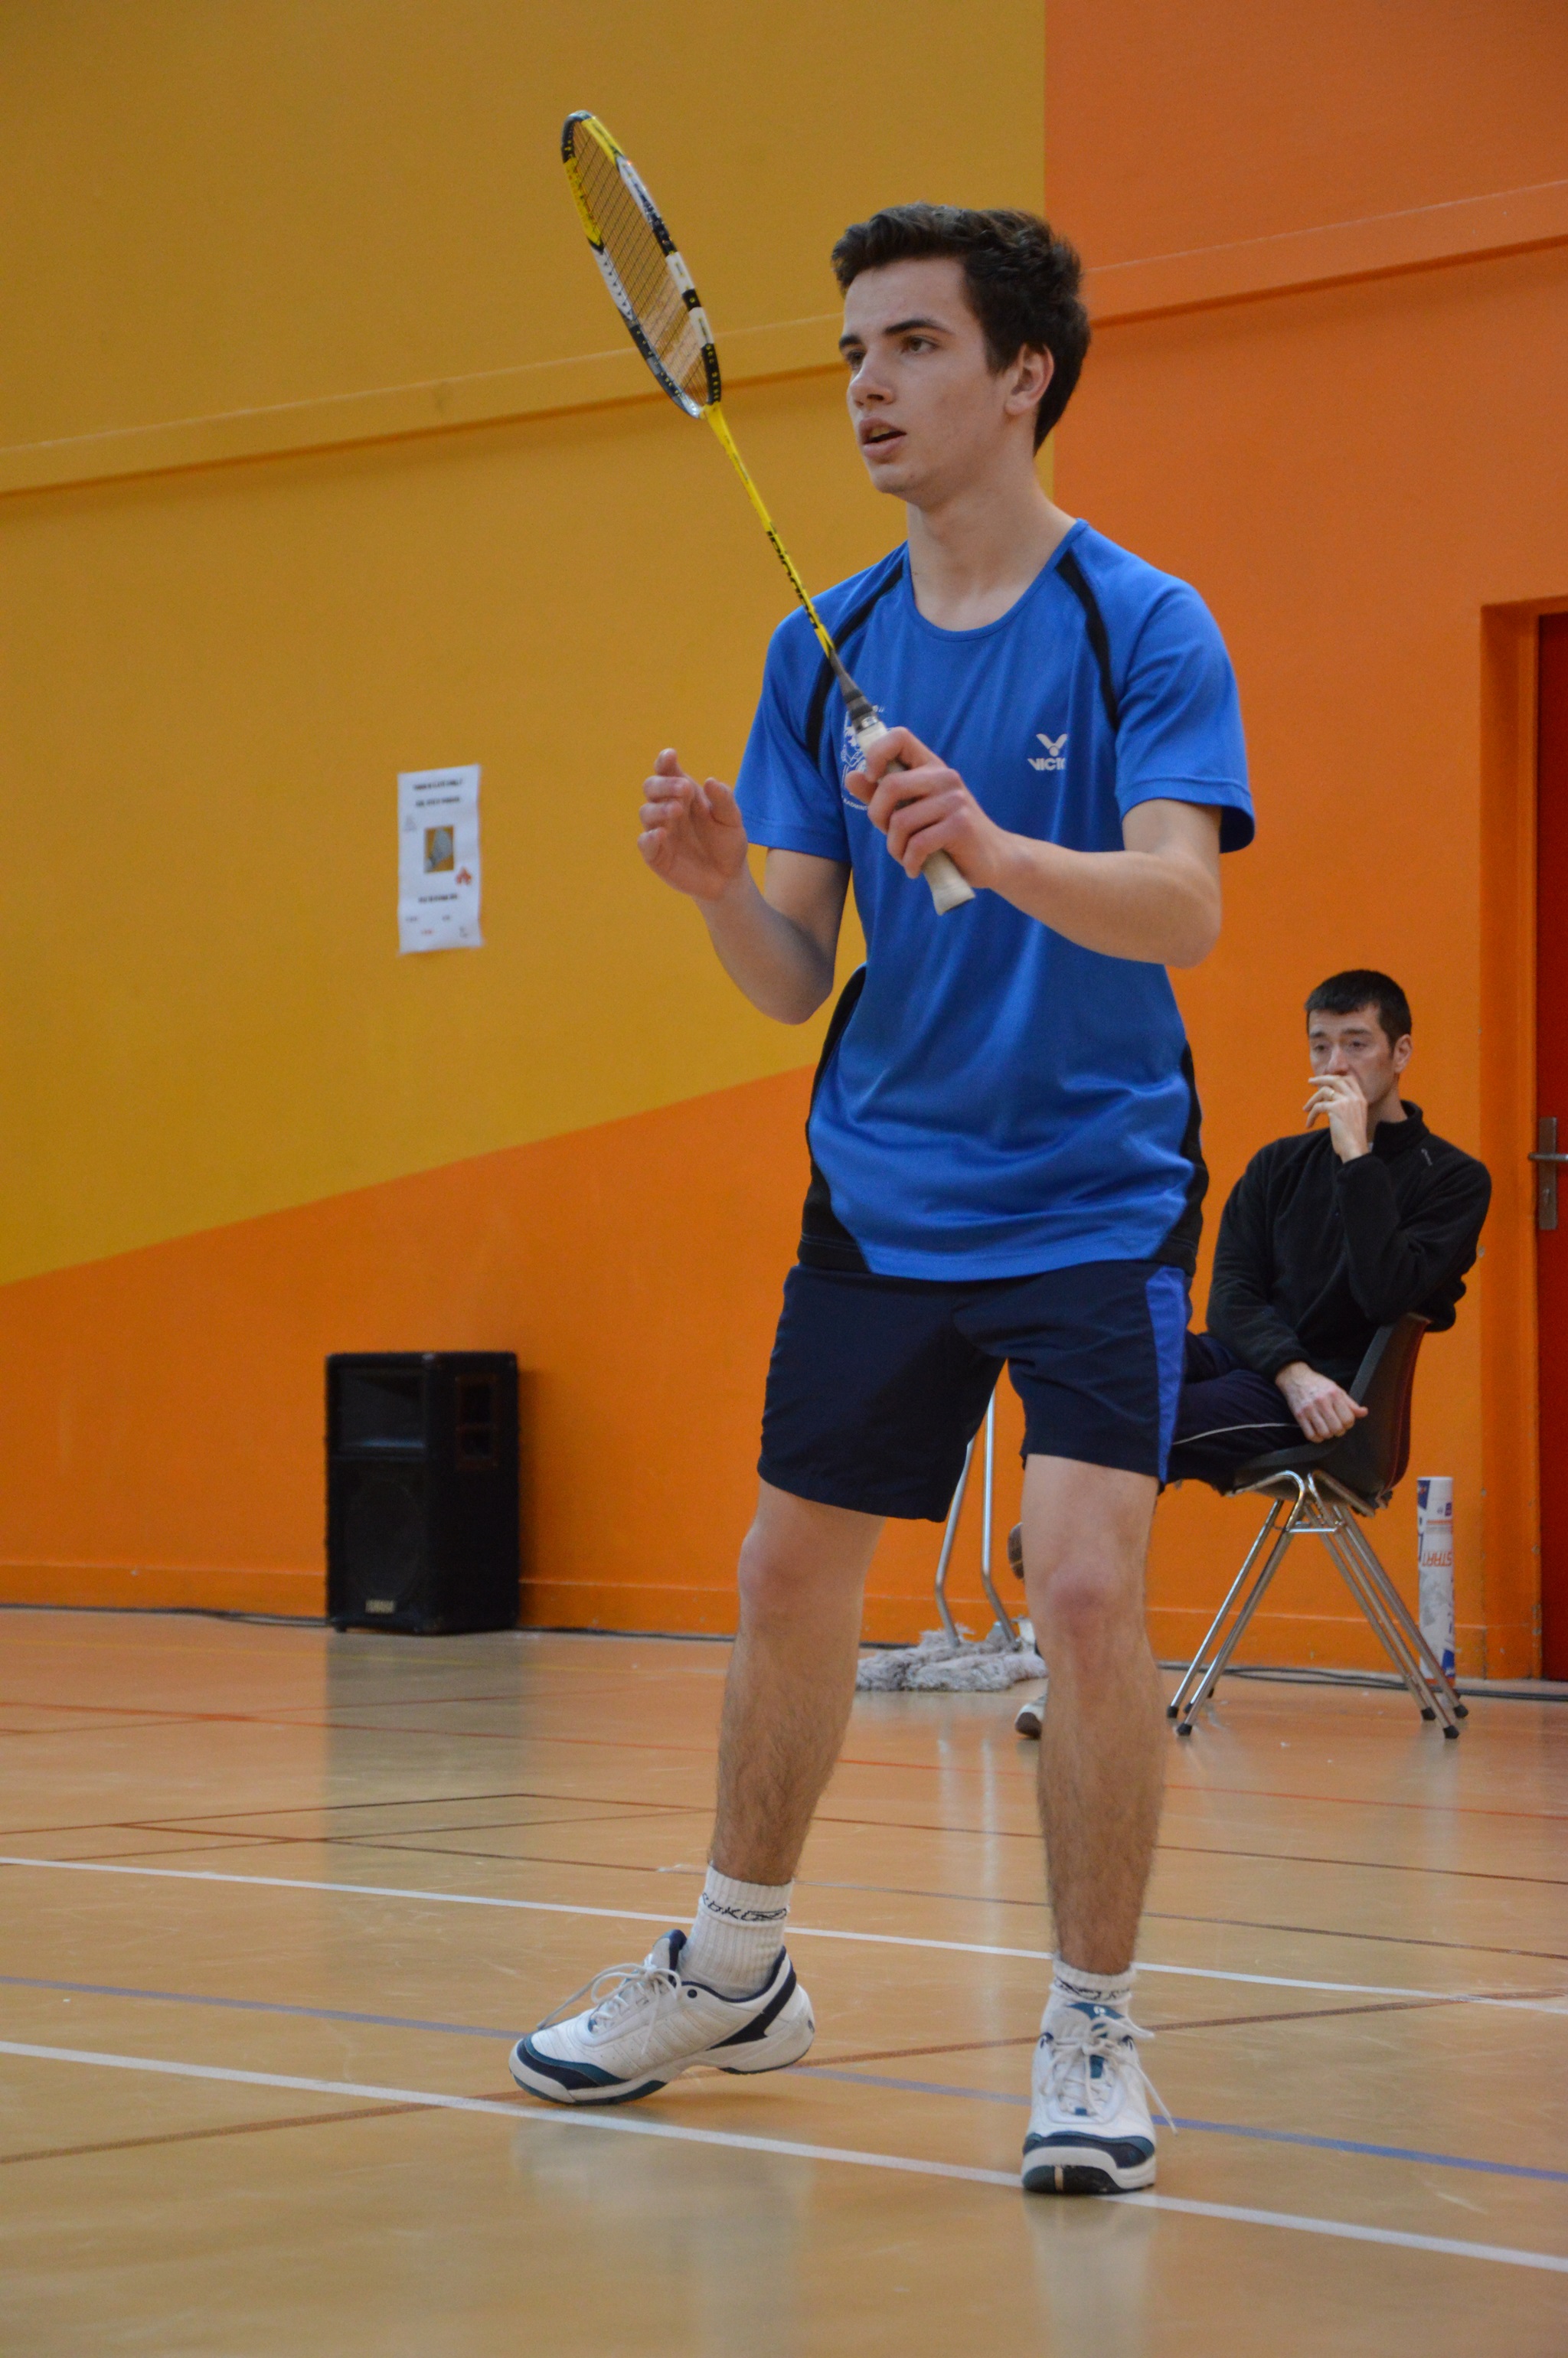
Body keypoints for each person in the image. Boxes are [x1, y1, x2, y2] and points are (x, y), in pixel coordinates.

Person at [510, 203, 1252, 2197]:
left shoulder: (1140, 622)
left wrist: (997, 848)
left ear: (1022, 374)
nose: (866, 385)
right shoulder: (818, 644)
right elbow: (792, 973)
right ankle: (734, 1965)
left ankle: (1091, 2027)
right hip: (886, 1186)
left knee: (1080, 1587)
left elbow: (1182, 904)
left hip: (1094, 1184)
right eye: (853, 350)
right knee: (783, 1574)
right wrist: (713, 891)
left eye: (914, 344)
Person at [1166, 971, 1491, 1488]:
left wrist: (1357, 1158)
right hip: (1263, 1367)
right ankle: (1067, 1518)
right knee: (1104, 1366)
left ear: (1401, 1053)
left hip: (1337, 1398)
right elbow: (1230, 1297)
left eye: (1356, 1044)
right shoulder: (1277, 1164)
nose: (1335, 1065)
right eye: (1320, 1047)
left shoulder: (1454, 1179)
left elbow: (1385, 1295)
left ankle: (1073, 1521)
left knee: (1138, 1418)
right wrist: (1290, 1373)